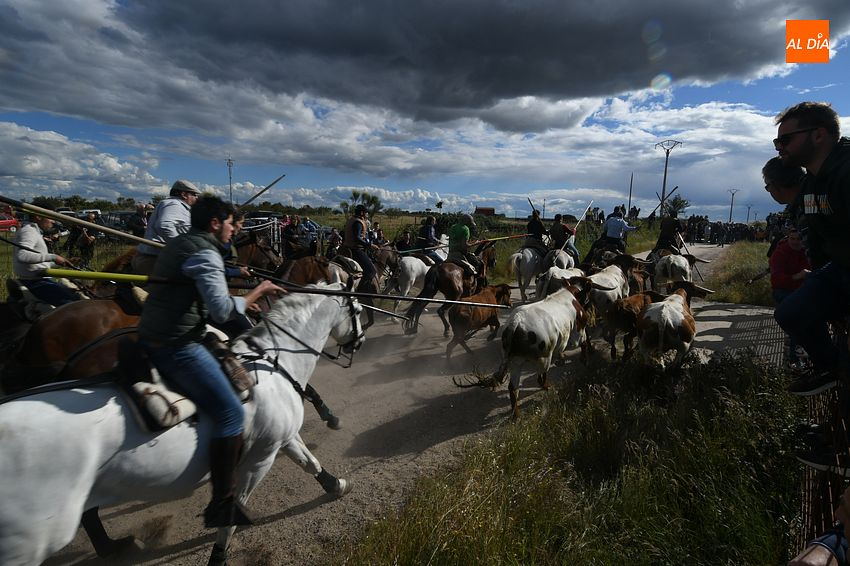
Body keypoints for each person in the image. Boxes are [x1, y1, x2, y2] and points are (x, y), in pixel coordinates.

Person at [138, 195, 284, 528]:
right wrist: (256, 292)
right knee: (232, 413)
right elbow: (220, 310)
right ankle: (222, 504)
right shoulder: (205, 252)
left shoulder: (180, 244)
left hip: (154, 332)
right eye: (232, 223)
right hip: (176, 344)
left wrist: (238, 287)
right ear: (216, 224)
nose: (235, 230)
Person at [772, 102, 850, 398]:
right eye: (777, 141)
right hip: (839, 270)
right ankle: (833, 367)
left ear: (819, 135)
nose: (780, 147)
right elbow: (816, 240)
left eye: (786, 139)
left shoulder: (846, 170)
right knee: (790, 313)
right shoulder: (810, 184)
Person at [12, 204, 78, 306]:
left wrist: (64, 262)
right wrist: (54, 257)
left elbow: (40, 265)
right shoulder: (29, 231)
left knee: (75, 296)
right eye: (50, 217)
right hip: (35, 283)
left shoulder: (33, 231)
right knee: (74, 305)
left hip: (38, 280)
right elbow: (22, 255)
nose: (53, 221)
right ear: (38, 217)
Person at [132, 180, 201, 276]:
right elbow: (165, 226)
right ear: (184, 194)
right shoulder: (175, 204)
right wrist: (184, 247)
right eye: (194, 194)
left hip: (154, 258)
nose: (196, 198)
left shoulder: (173, 205)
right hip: (155, 259)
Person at [769, 228, 811, 368]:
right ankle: (794, 358)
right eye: (792, 238)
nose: (795, 242)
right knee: (796, 315)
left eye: (798, 239)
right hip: (784, 290)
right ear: (788, 238)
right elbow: (776, 280)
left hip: (803, 291)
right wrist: (797, 276)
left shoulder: (807, 253)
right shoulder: (780, 253)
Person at [342, 204, 379, 293]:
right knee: (371, 271)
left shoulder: (351, 220)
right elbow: (357, 238)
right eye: (366, 213)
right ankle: (361, 291)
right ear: (362, 213)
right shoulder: (358, 222)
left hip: (346, 248)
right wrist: (370, 245)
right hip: (355, 250)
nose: (367, 215)